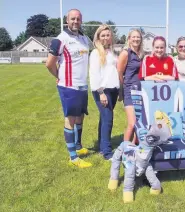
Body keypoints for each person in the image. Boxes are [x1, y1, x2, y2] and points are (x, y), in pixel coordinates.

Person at [45, 9, 92, 168]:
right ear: (67, 20)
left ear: (81, 20)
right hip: (68, 86)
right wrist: (59, 76)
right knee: (71, 119)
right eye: (72, 19)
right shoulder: (60, 39)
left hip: (82, 86)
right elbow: (49, 64)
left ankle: (78, 147)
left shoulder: (85, 39)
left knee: (80, 117)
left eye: (78, 19)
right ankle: (73, 158)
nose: (75, 21)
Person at [89, 24, 120, 160]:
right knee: (108, 119)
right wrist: (101, 92)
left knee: (104, 118)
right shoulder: (96, 53)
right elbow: (94, 74)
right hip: (102, 90)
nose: (106, 37)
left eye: (108, 35)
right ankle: (107, 152)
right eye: (103, 35)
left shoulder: (113, 52)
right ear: (98, 37)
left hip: (113, 89)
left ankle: (101, 146)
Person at [117, 29, 144, 145]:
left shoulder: (141, 54)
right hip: (129, 91)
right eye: (133, 37)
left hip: (141, 91)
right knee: (132, 123)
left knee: (139, 122)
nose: (136, 39)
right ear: (129, 39)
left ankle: (134, 145)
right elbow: (119, 73)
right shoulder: (125, 53)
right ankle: (124, 149)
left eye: (138, 37)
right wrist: (124, 89)